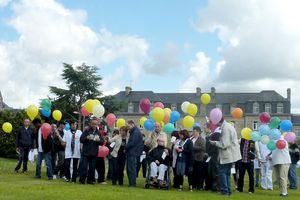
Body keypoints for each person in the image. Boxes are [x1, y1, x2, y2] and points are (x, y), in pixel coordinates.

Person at [210, 119, 241, 196]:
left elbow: (224, 144)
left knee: (222, 172)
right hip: (230, 154)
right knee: (227, 173)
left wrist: (215, 143)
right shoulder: (228, 126)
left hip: (227, 154)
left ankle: (224, 191)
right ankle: (228, 191)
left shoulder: (225, 128)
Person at [79, 118, 104, 184]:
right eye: (92, 124)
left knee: (92, 168)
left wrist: (99, 141)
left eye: (95, 124)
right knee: (84, 167)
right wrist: (86, 138)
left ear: (97, 124)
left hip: (94, 153)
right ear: (90, 124)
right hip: (85, 153)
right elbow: (81, 139)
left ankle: (90, 180)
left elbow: (102, 142)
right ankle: (82, 180)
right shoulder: (86, 131)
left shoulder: (98, 132)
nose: (94, 125)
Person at [125, 120, 143, 187]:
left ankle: (132, 183)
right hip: (133, 152)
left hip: (133, 152)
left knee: (131, 168)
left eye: (128, 126)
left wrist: (125, 147)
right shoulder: (134, 131)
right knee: (130, 168)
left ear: (132, 124)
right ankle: (131, 183)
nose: (127, 127)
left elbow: (132, 142)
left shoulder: (135, 132)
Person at [205, 122, 221, 192]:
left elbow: (215, 146)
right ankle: (212, 187)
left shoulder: (216, 135)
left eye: (205, 128)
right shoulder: (210, 135)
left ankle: (216, 187)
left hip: (214, 155)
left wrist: (209, 153)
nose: (204, 129)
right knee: (211, 172)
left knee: (215, 172)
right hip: (211, 156)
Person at [191, 126, 206, 190]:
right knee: (193, 173)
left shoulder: (201, 139)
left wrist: (193, 147)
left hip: (199, 158)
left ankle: (200, 186)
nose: (193, 133)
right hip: (193, 158)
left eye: (194, 131)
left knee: (199, 173)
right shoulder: (191, 139)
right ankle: (194, 185)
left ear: (198, 132)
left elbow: (203, 148)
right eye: (193, 131)